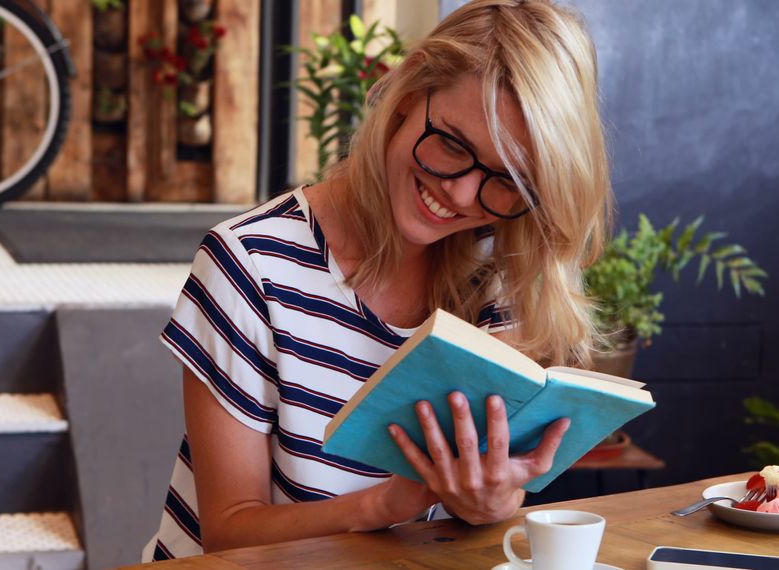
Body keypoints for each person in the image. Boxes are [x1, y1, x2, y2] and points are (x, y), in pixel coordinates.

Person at [142, 0, 612, 561]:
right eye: (453, 146)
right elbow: (228, 532)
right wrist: (385, 505)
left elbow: (483, 494)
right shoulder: (250, 264)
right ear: (407, 97)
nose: (461, 194)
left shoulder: (496, 272)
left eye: (506, 180)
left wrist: (490, 499)